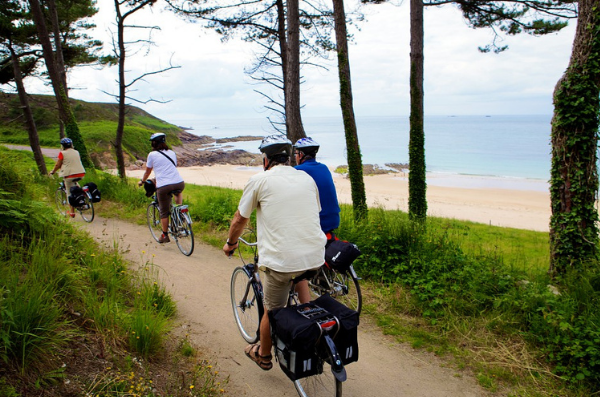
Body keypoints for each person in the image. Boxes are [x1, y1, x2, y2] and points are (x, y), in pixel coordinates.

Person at [222, 134, 326, 371]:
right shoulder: (306, 178)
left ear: (266, 160)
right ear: (289, 158)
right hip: (314, 257)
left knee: (272, 309)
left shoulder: (259, 180)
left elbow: (240, 218)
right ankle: (306, 315)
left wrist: (230, 243)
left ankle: (264, 354)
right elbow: (313, 211)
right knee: (299, 274)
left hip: (280, 262)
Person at [137, 133, 185, 243]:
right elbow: (172, 167)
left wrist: (142, 181)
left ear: (154, 143)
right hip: (179, 182)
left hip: (164, 186)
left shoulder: (152, 154)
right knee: (177, 192)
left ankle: (164, 236)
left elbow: (148, 171)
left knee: (164, 212)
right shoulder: (171, 152)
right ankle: (180, 212)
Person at [294, 137, 341, 234]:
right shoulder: (324, 168)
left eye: (295, 153)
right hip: (333, 220)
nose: (295, 157)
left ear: (301, 155)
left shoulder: (297, 170)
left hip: (318, 223)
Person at [49, 137, 86, 218]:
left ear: (62, 146)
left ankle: (72, 212)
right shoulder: (76, 152)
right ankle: (83, 199)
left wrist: (53, 171)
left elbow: (58, 165)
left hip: (69, 175)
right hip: (81, 173)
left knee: (69, 193)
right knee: (76, 186)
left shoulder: (62, 153)